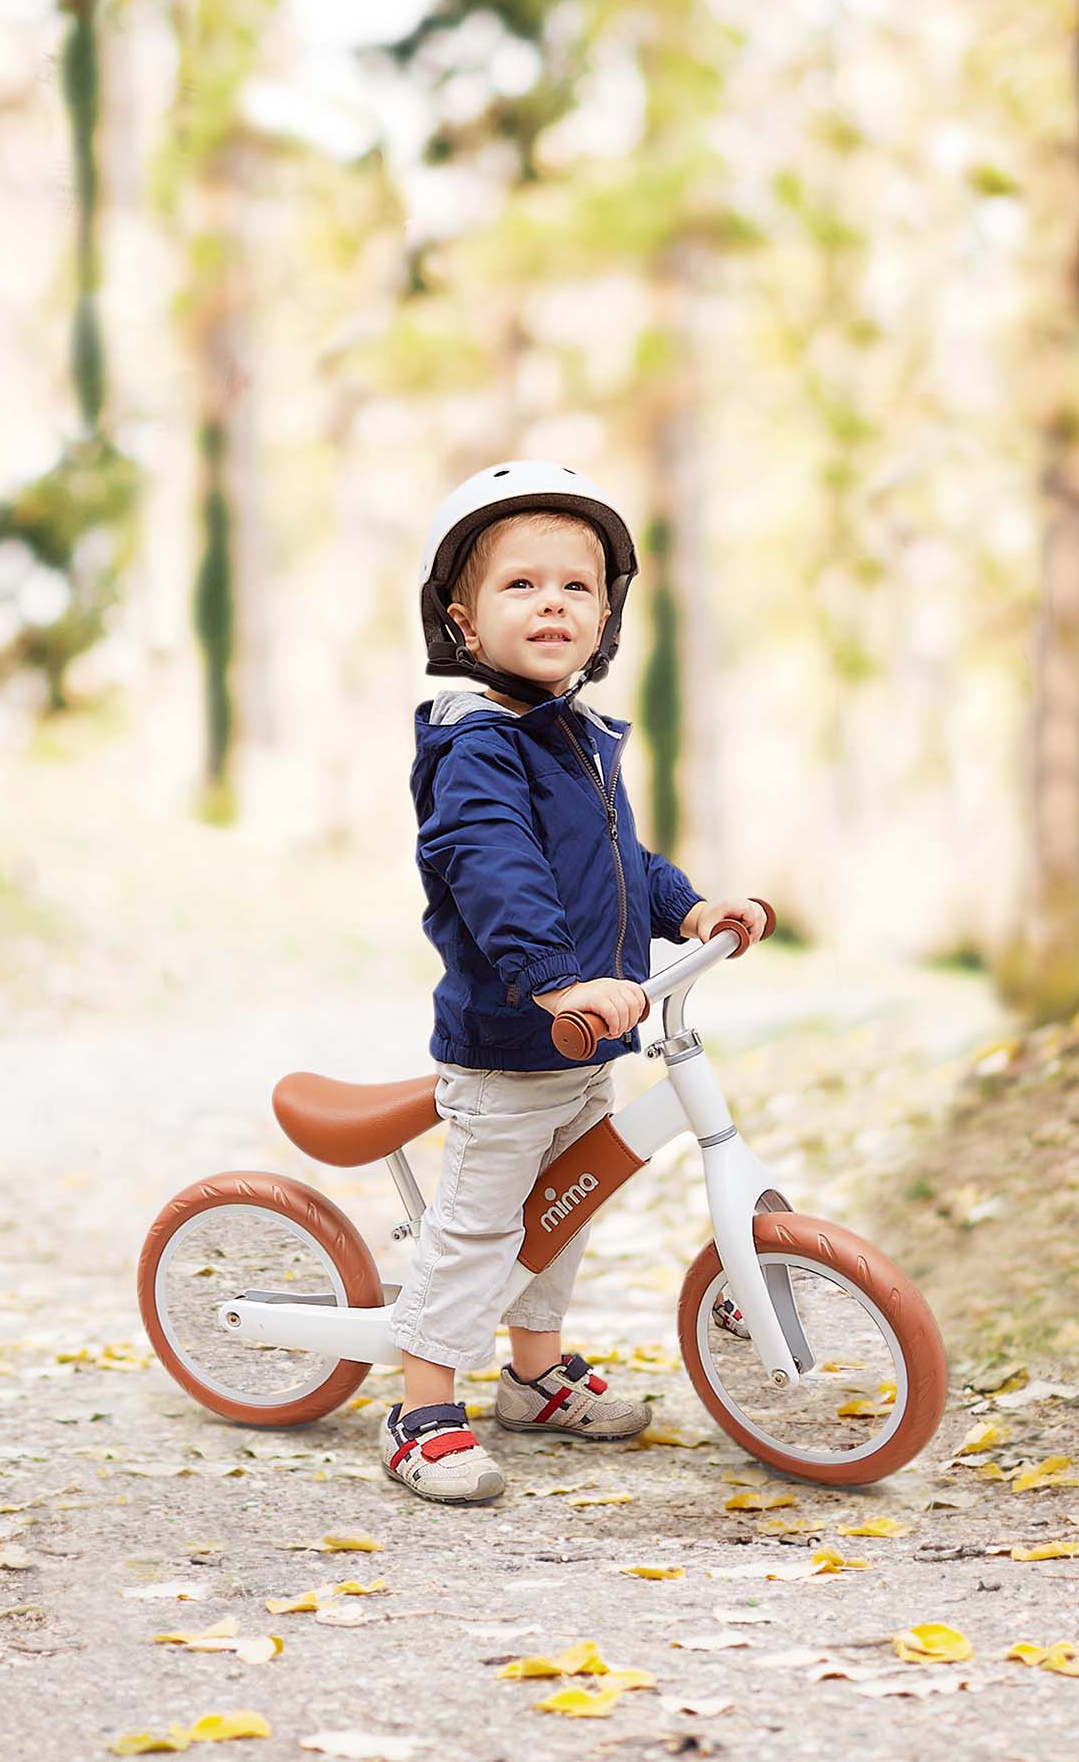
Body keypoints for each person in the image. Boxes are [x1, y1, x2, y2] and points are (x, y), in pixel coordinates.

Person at [381, 461, 768, 1504]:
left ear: (605, 618)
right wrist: (555, 980)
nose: (551, 602)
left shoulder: (575, 738)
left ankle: (535, 1374)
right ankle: (421, 1409)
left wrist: (685, 909)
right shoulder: (474, 748)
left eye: (576, 586)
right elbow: (494, 867)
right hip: (514, 1045)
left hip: (586, 1040)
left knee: (563, 1214)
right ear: (462, 620)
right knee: (482, 1227)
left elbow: (615, 862)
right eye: (520, 585)